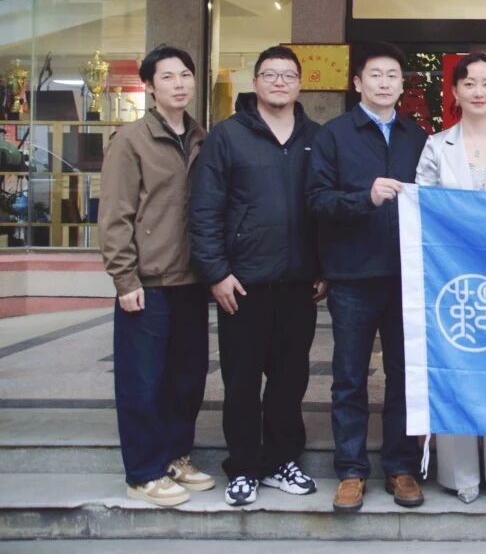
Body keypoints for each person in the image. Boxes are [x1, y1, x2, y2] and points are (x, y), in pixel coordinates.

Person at [190, 46, 325, 507]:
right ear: (256, 82)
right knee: (242, 383)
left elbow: (325, 209)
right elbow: (204, 209)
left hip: (298, 284)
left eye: (288, 75)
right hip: (242, 284)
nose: (279, 82)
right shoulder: (227, 136)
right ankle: (244, 466)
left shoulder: (316, 137)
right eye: (270, 74)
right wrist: (216, 273)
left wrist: (323, 268)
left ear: (300, 83)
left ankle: (284, 460)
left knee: (290, 382)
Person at [307, 41, 427, 513]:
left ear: (402, 85)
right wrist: (365, 197)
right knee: (349, 378)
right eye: (374, 74)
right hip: (353, 277)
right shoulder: (334, 135)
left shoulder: (417, 137)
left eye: (392, 75)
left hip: (407, 278)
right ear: (357, 82)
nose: (383, 82)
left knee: (404, 376)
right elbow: (316, 200)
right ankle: (351, 470)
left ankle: (401, 466)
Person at [99, 44, 213, 506]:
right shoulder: (131, 140)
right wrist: (125, 280)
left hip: (191, 281)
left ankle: (175, 458)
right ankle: (143, 472)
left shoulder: (202, 137)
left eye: (185, 75)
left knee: (187, 379)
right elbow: (115, 216)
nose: (179, 84)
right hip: (146, 284)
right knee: (142, 382)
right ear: (149, 86)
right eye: (167, 77)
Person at [415, 51, 486, 504]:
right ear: (455, 91)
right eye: (470, 83)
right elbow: (423, 204)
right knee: (457, 368)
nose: (479, 91)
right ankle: (460, 474)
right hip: (451, 274)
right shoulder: (436, 145)